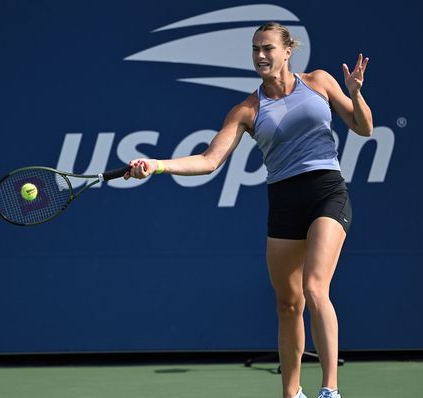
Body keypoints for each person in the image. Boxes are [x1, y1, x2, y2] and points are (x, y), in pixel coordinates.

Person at [125, 22, 372, 398]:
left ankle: (329, 390)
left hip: (327, 192)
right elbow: (209, 161)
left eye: (268, 48)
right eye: (256, 48)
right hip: (284, 202)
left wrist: (356, 95)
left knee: (314, 286)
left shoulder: (319, 82)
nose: (261, 55)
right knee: (288, 304)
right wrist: (158, 165)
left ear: (288, 51)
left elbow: (363, 127)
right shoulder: (246, 109)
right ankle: (292, 393)